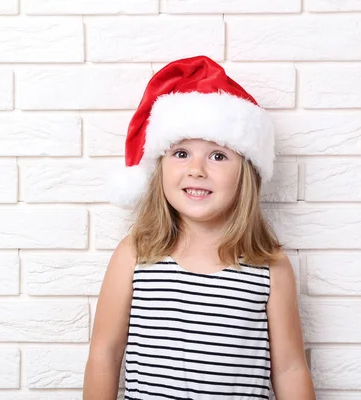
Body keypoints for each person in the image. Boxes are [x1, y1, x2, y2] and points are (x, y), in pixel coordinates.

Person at [83, 56, 315, 399]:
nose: (196, 170)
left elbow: (290, 367)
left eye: (217, 156)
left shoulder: (270, 266)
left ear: (246, 173)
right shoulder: (136, 254)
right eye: (181, 153)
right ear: (159, 165)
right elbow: (105, 353)